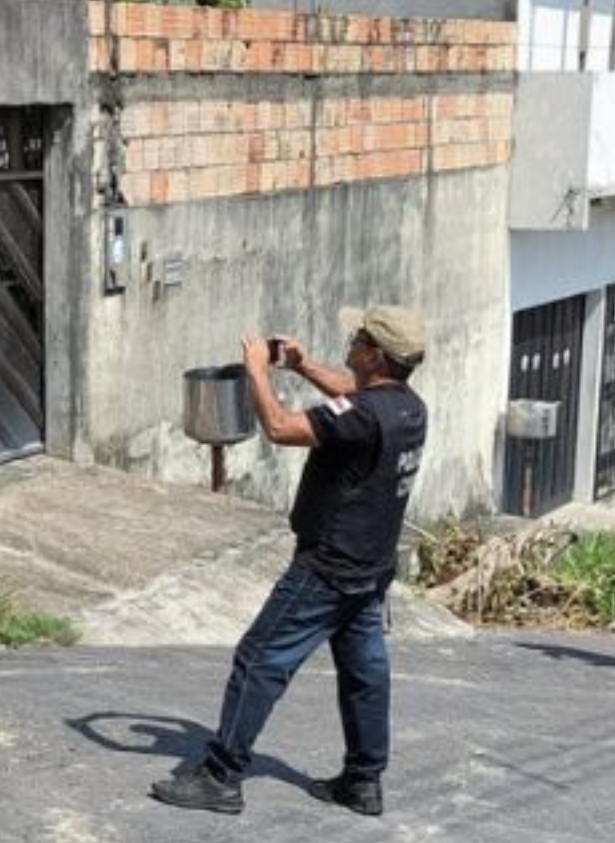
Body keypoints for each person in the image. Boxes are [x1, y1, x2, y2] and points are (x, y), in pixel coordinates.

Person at [151, 305, 429, 817]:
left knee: (259, 659)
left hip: (327, 567)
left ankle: (221, 775)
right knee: (365, 671)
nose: (350, 342)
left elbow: (280, 427)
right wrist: (302, 366)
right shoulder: (407, 409)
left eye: (358, 337)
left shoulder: (364, 416)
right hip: (369, 571)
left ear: (374, 356)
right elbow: (351, 394)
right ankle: (364, 781)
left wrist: (258, 368)